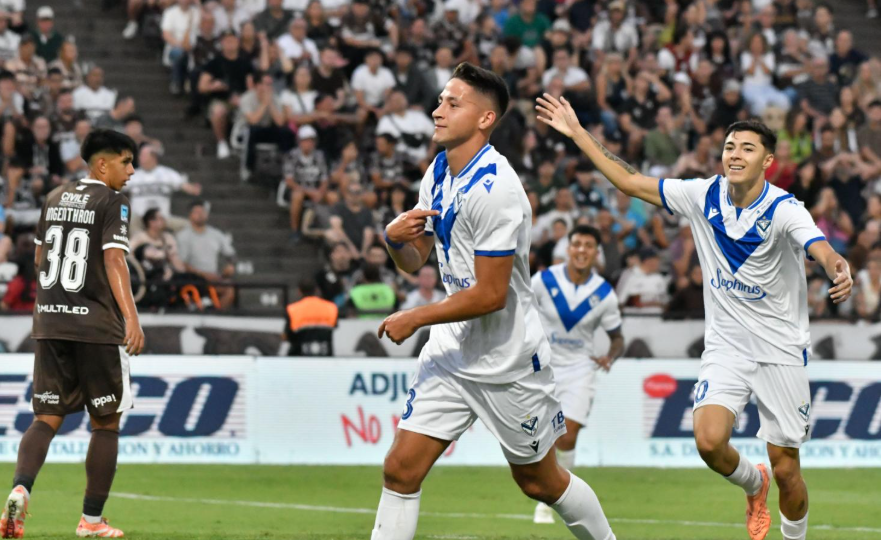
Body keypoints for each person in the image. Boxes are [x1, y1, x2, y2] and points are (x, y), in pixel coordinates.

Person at [536, 94, 853, 540]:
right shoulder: (702, 194)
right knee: (708, 441)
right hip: (727, 347)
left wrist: (838, 266)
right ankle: (753, 483)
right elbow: (630, 182)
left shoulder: (785, 209)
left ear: (768, 161)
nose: (735, 154)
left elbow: (818, 246)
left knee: (787, 469)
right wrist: (578, 134)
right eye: (729, 146)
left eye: (747, 148)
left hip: (780, 351)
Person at [373, 63, 616, 540]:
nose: (437, 111)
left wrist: (416, 317)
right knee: (400, 469)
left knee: (540, 482)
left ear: (486, 118)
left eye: (452, 103)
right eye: (440, 101)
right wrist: (393, 239)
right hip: (452, 351)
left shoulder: (498, 189)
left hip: (506, 359)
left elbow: (490, 295)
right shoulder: (438, 170)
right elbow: (415, 260)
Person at [0, 129, 144, 539]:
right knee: (106, 423)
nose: (131, 171)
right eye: (125, 162)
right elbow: (114, 260)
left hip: (50, 323)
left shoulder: (54, 196)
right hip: (95, 327)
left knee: (46, 417)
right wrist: (131, 317)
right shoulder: (113, 201)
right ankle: (91, 521)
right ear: (102, 164)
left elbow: (40, 256)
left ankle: (20, 488)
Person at [529, 225, 625, 525]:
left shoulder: (604, 293)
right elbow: (520, 310)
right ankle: (548, 492)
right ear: (568, 249)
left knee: (567, 435)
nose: (582, 250)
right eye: (577, 244)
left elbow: (617, 338)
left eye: (588, 246)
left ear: (596, 253)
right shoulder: (544, 280)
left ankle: (553, 498)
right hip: (541, 365)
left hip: (580, 368)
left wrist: (610, 356)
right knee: (540, 435)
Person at [176, 200, 237, 310]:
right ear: (190, 215)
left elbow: (231, 254)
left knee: (229, 288)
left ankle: (217, 313)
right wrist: (203, 275)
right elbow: (182, 264)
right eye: (197, 212)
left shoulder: (216, 234)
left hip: (214, 277)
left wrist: (230, 265)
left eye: (203, 212)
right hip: (192, 278)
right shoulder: (183, 236)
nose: (200, 215)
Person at [285, 277, 338, 356]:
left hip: (298, 358)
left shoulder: (292, 309)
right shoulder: (331, 307)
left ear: (299, 291)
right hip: (325, 357)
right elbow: (334, 326)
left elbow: (288, 336)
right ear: (316, 290)